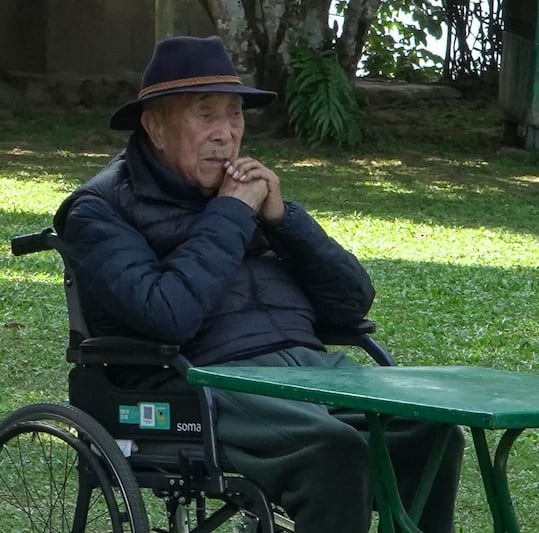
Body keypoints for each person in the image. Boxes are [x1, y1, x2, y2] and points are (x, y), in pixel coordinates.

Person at [53, 35, 464, 532]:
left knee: (431, 429)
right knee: (332, 448)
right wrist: (230, 212)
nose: (226, 134)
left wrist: (282, 218)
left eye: (235, 116)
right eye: (206, 115)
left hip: (308, 368)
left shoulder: (249, 194)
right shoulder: (98, 209)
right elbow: (169, 316)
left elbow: (352, 305)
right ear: (155, 125)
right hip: (200, 380)